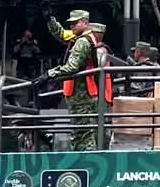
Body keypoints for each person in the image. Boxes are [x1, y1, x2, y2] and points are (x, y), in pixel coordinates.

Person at [47, 21, 112, 151]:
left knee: (88, 133)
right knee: (83, 132)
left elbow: (74, 67)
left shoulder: (97, 49)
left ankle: (90, 159)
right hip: (87, 93)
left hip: (92, 94)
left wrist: (51, 74)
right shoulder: (85, 43)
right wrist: (51, 20)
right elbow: (62, 34)